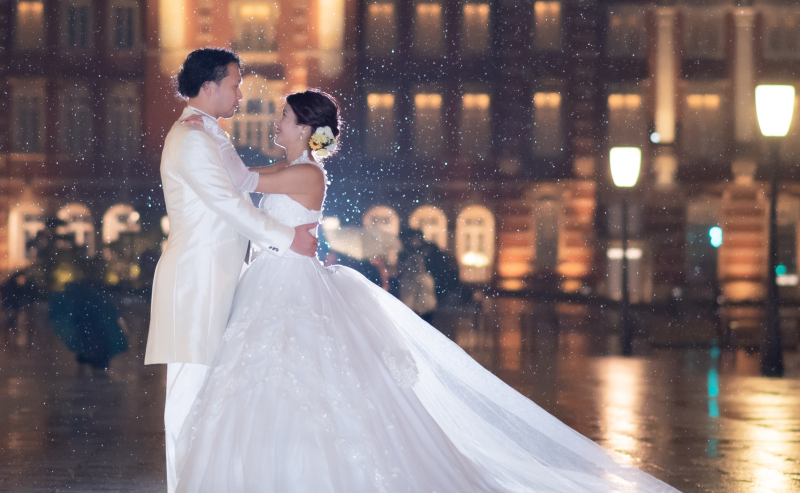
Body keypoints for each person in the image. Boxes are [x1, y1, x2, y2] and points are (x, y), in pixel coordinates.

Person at [172, 89, 680, 493]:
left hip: (286, 282)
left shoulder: (304, 173)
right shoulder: (294, 170)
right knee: (274, 377)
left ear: (305, 129)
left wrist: (206, 126)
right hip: (276, 276)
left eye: (283, 117)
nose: (275, 123)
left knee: (292, 378)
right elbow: (249, 186)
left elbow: (238, 180)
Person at [144, 48, 319, 493]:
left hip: (220, 280)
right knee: (187, 397)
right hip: (196, 283)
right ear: (210, 87)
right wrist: (286, 237)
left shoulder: (209, 135)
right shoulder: (194, 138)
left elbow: (243, 184)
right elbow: (227, 203)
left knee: (206, 397)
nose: (241, 93)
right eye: (235, 84)